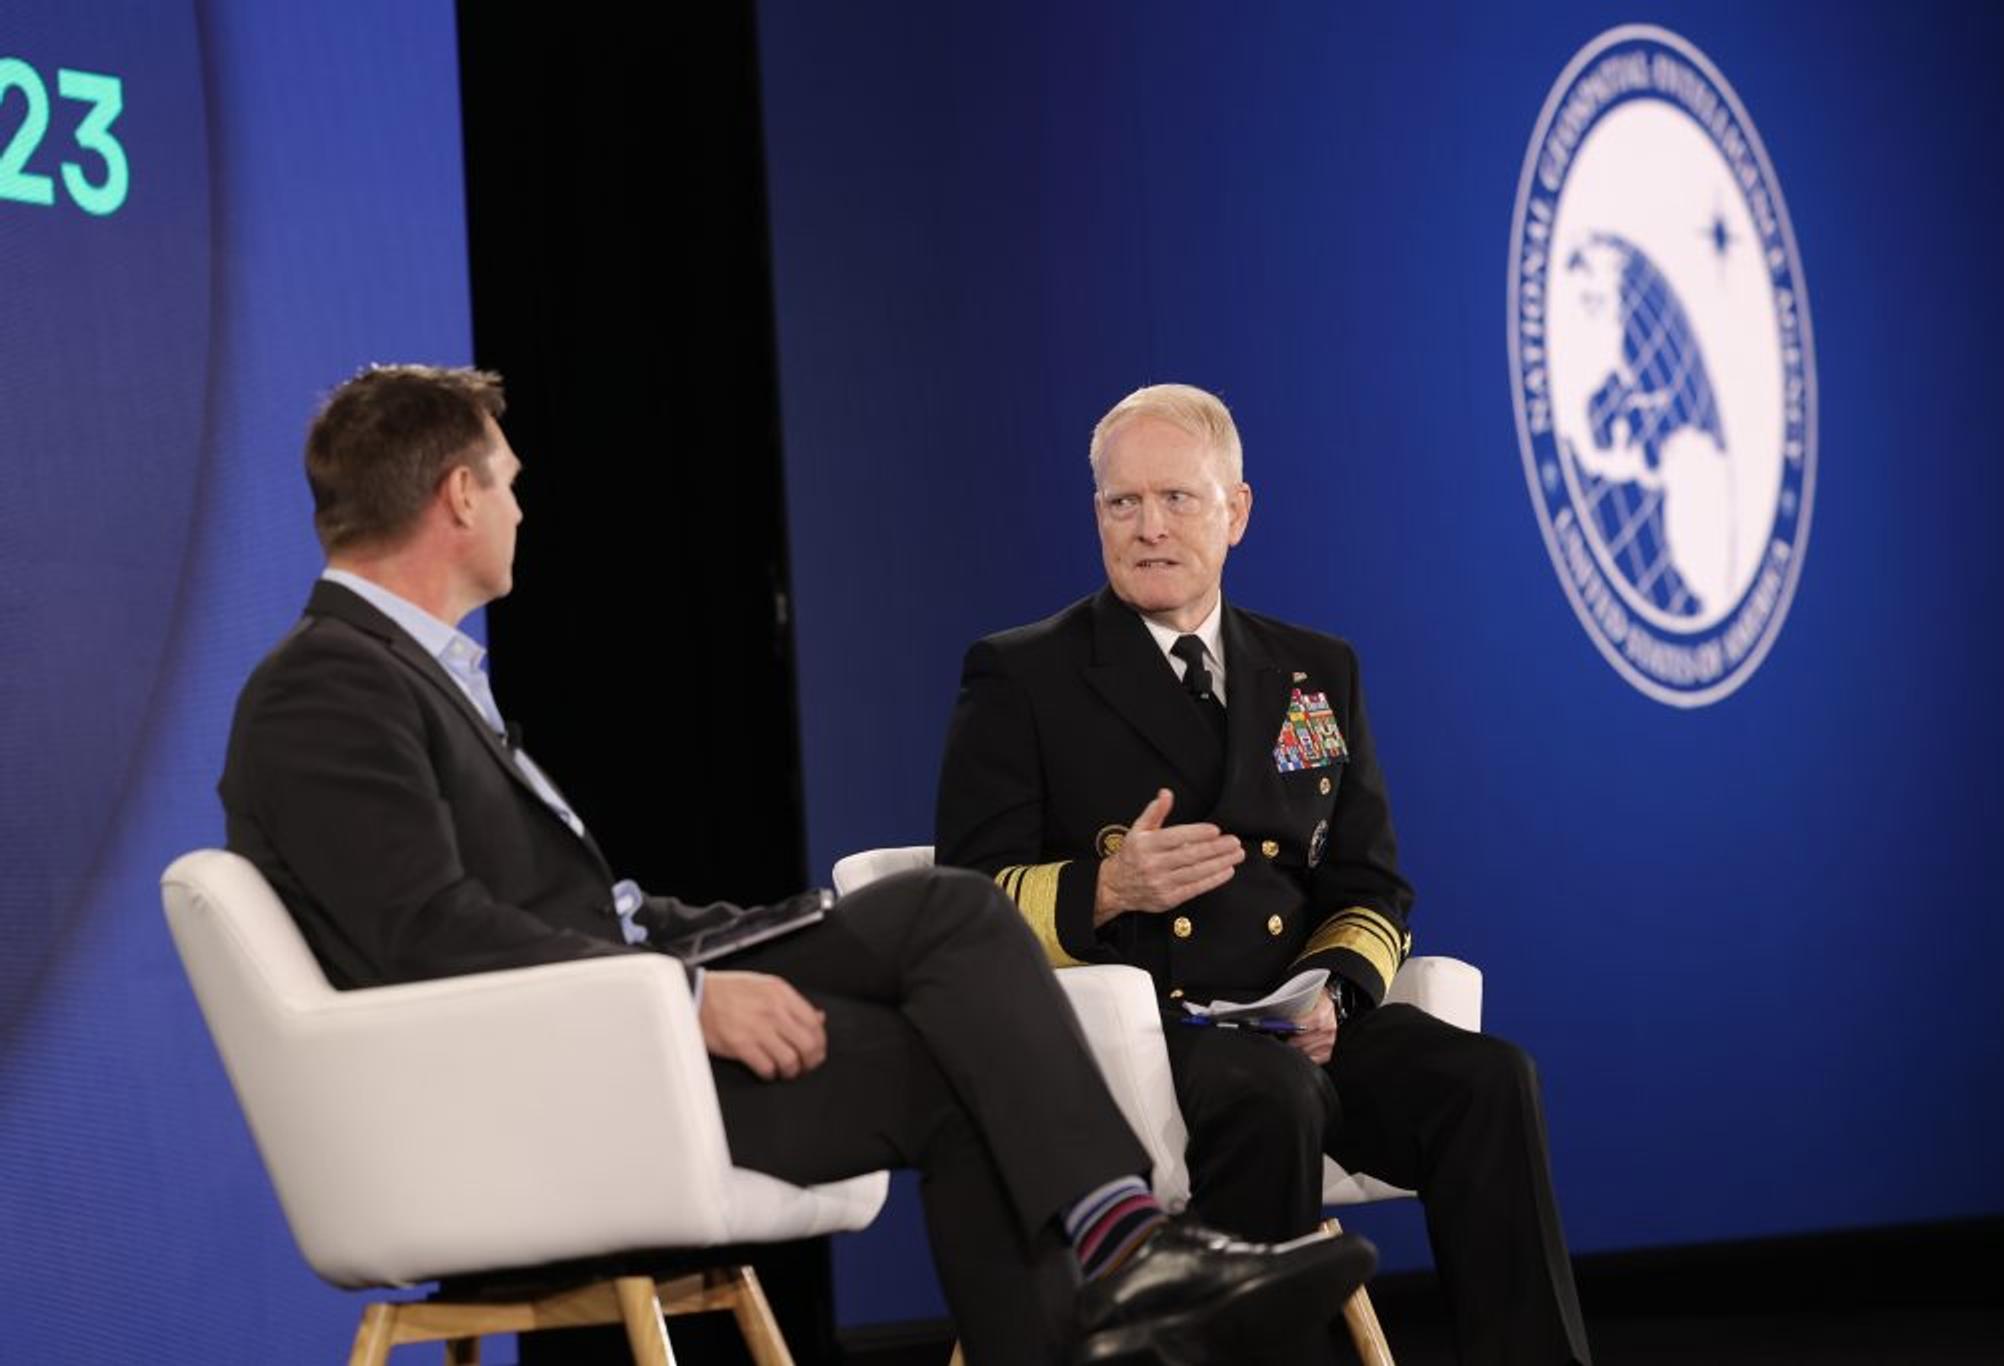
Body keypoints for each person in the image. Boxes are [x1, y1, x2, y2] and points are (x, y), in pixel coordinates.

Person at [218, 365, 1375, 1366]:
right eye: (510, 481)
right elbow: (432, 934)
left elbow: (578, 908)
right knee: (943, 918)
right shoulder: (328, 687)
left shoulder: (409, 673)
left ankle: (1122, 1261)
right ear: (457, 496)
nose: (522, 506)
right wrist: (694, 991)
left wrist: (750, 929)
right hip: (551, 1075)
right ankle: (1133, 1251)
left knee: (954, 1014)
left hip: (604, 1012)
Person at [935, 384, 1593, 1365]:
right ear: (1095, 517)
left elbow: (1369, 881)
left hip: (1301, 1020)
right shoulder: (1021, 675)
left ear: (1235, 512)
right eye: (1121, 504)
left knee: (1486, 1079)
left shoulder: (1309, 674)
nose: (1147, 527)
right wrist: (1107, 888)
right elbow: (960, 908)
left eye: (1176, 500)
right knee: (1265, 1095)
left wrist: (1332, 990)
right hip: (1147, 1041)